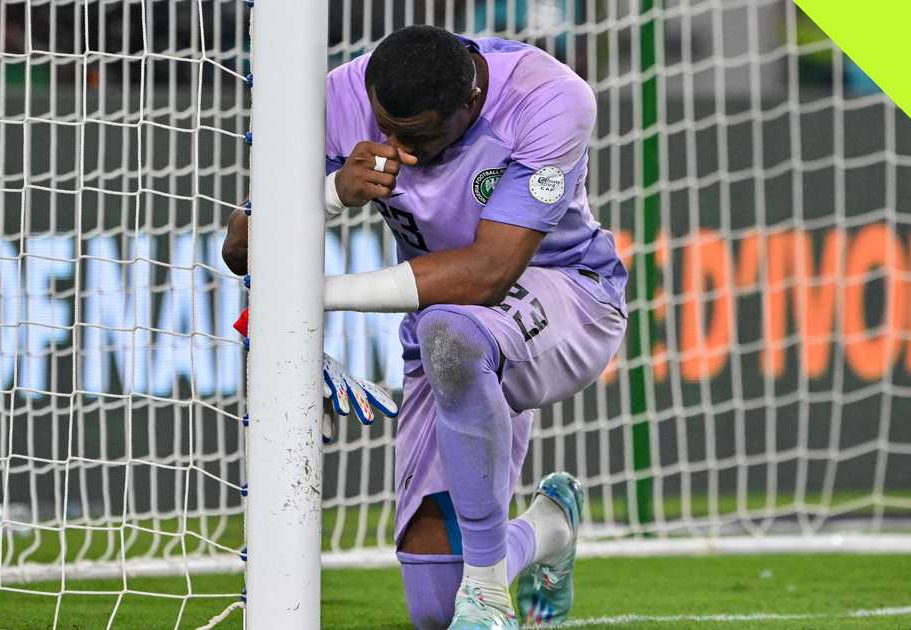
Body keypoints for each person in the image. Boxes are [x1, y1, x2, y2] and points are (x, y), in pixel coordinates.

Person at [223, 25, 627, 629]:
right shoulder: (342, 98)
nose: (392, 145)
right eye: (384, 125)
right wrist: (330, 191)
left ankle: (488, 590)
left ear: (470, 102)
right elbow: (239, 249)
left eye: (414, 136)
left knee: (452, 334)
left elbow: (489, 274)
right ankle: (548, 527)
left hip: (570, 292)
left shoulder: (548, 97)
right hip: (440, 317)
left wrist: (307, 303)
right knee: (435, 614)